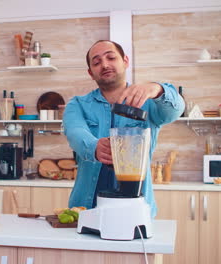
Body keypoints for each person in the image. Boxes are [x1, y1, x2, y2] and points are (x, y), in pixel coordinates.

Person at [63, 40, 184, 218]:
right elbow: (74, 131)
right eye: (96, 62)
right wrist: (94, 147)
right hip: (86, 211)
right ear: (91, 73)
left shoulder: (149, 103)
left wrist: (157, 89)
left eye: (111, 57)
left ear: (125, 61)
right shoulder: (77, 104)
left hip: (137, 210)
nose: (104, 64)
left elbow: (175, 110)